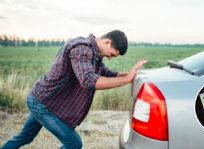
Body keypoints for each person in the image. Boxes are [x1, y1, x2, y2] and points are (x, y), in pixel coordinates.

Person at [1, 30, 147, 149]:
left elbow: (106, 73)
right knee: (74, 144)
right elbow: (88, 80)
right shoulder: (82, 48)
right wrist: (126, 80)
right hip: (41, 103)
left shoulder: (95, 54)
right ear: (107, 42)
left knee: (24, 137)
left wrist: (131, 75)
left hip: (47, 102)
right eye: (112, 54)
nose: (110, 58)